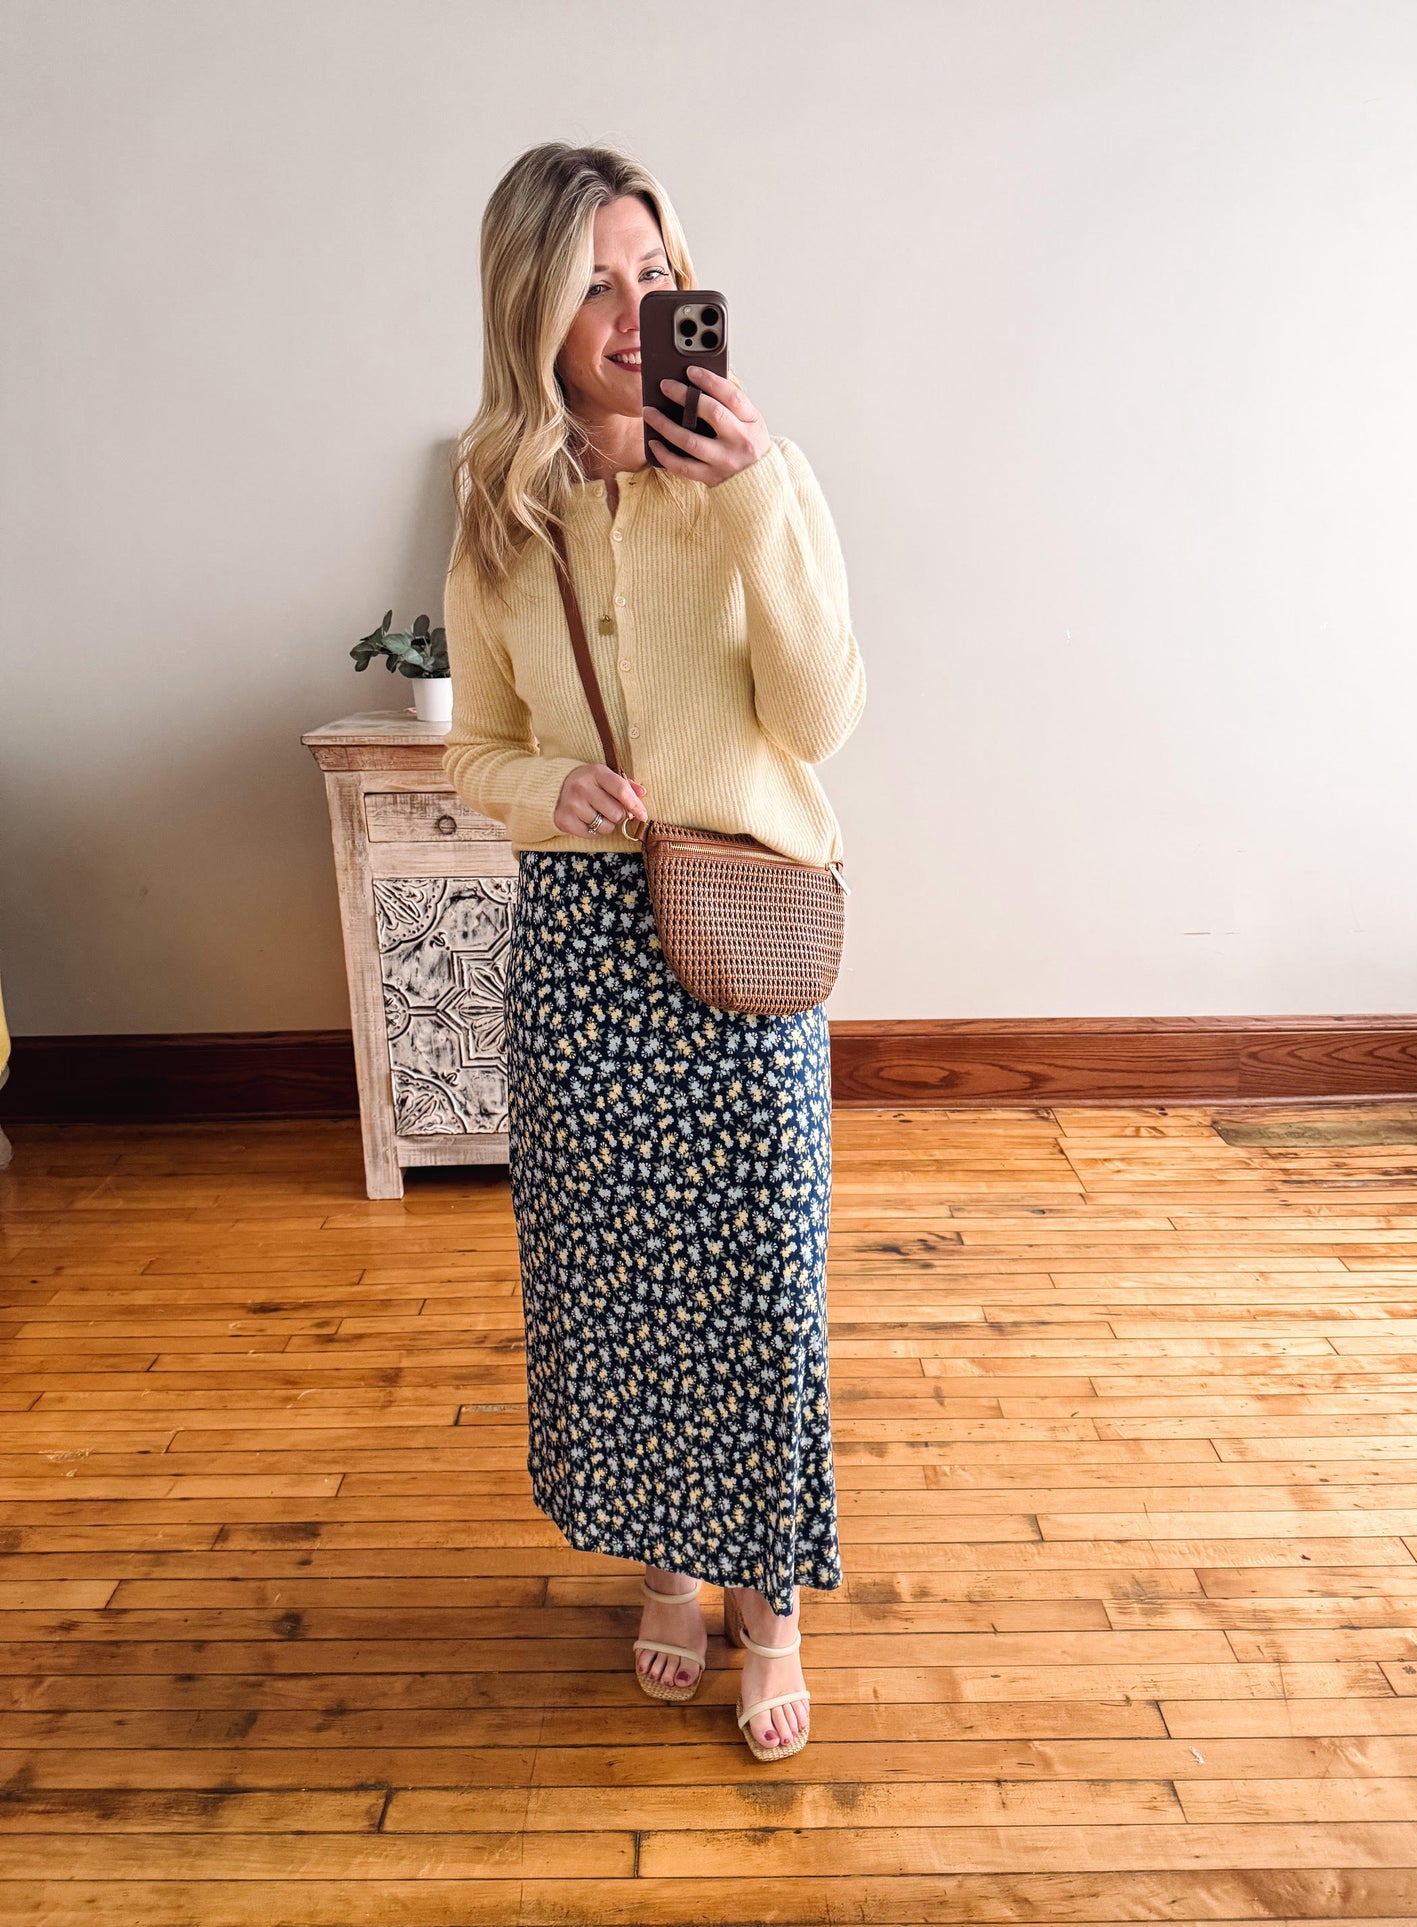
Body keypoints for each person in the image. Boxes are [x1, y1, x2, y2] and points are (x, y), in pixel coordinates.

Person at [441, 140, 865, 1763]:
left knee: (757, 1287)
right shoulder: (496, 510)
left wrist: (750, 495)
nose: (633, 313)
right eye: (595, 286)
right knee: (613, 1283)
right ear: (532, 312)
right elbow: (471, 749)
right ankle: (670, 1566)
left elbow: (822, 719)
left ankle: (772, 1599)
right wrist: (552, 785)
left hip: (745, 930)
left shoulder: (763, 474)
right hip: (581, 946)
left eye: (653, 275)